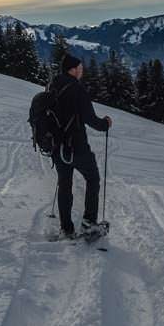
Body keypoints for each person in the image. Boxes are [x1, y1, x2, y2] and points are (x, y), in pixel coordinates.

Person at [48, 54, 112, 238]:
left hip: (57, 147)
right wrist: (105, 123)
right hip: (77, 146)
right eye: (80, 67)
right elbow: (90, 119)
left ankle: (66, 229)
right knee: (93, 178)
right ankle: (88, 223)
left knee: (64, 184)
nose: (82, 70)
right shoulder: (77, 89)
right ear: (73, 69)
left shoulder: (53, 85)